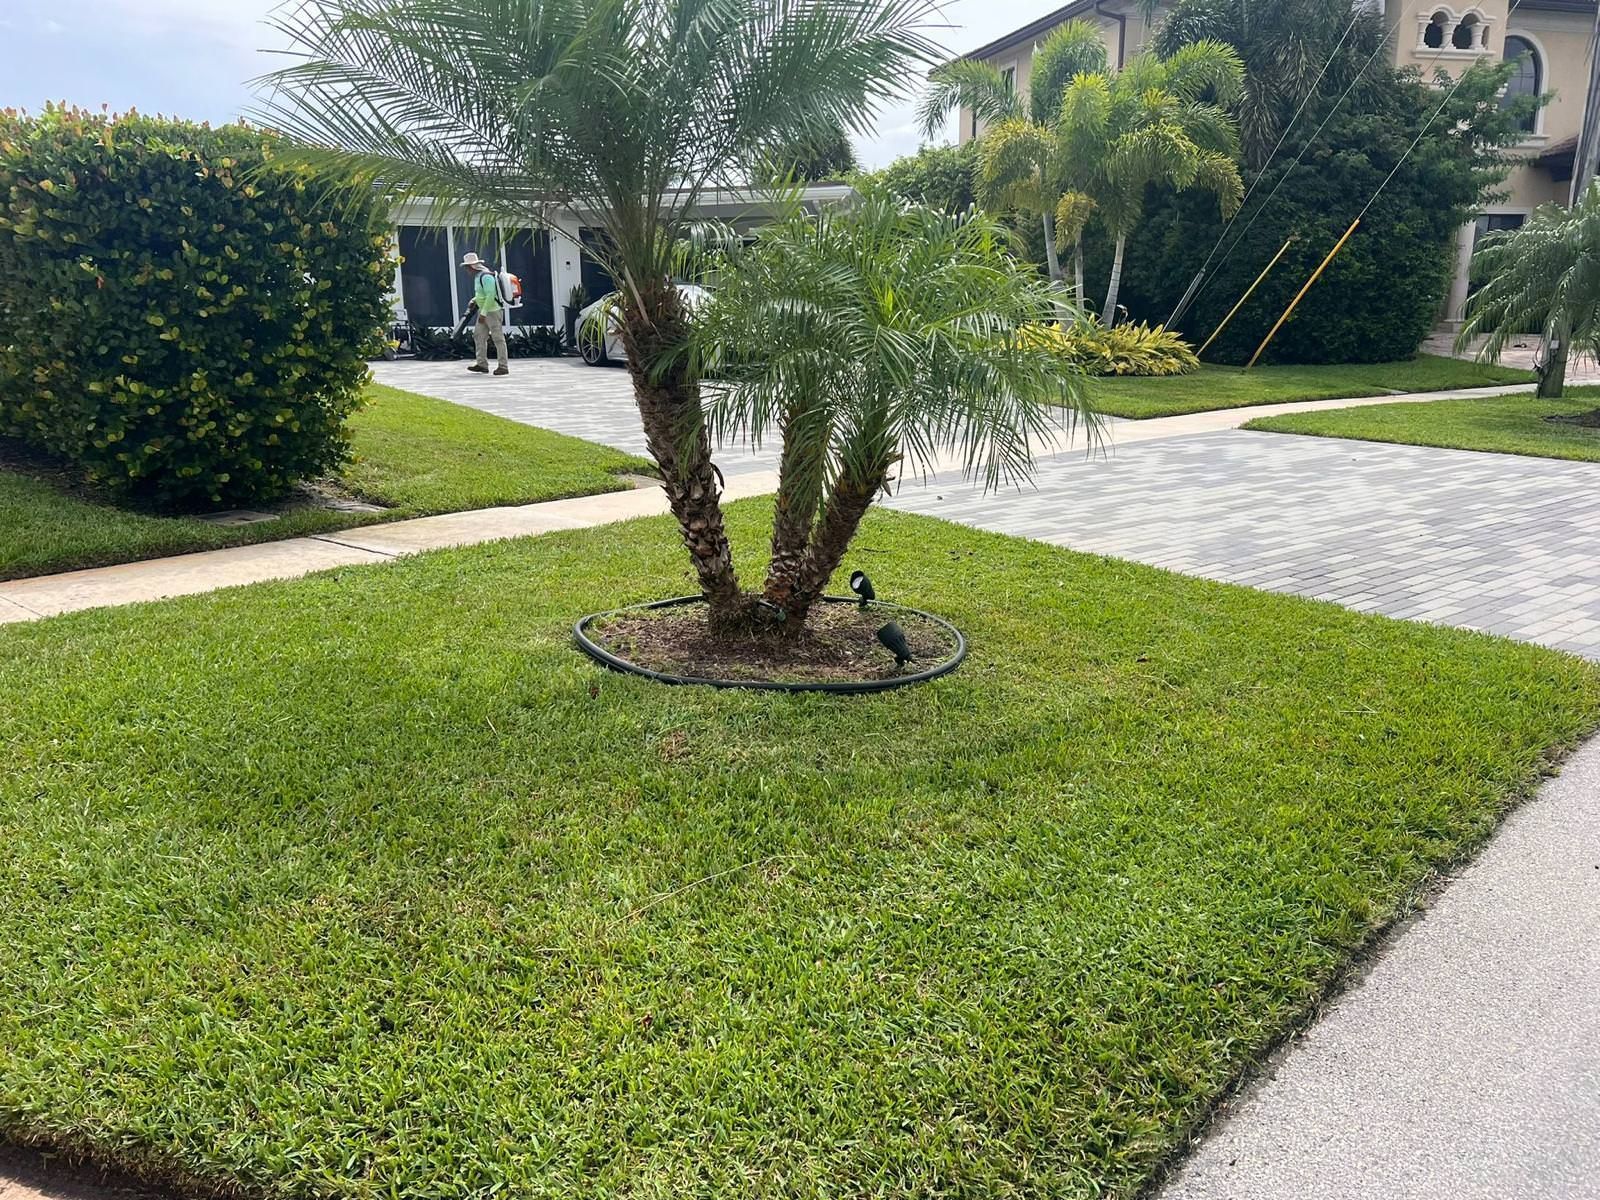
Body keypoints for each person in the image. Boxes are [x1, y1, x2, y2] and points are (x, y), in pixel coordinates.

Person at [460, 252, 509, 376]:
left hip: (492, 312)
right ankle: (482, 364)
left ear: (472, 266)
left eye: (467, 267)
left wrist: (483, 313)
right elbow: (481, 294)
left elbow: (490, 295)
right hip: (484, 311)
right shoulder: (478, 277)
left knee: (498, 339)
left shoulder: (486, 277)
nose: (466, 270)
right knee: (479, 336)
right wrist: (474, 300)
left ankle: (503, 366)